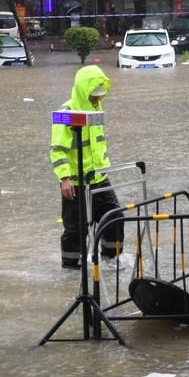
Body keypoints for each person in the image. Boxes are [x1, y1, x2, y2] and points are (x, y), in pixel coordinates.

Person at [51, 65, 124, 269]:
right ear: (84, 90)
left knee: (115, 218)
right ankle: (71, 267)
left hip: (99, 178)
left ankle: (111, 260)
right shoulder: (66, 113)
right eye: (93, 96)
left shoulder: (96, 108)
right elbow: (57, 150)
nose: (97, 100)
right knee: (76, 229)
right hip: (75, 182)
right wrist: (64, 178)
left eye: (99, 96)